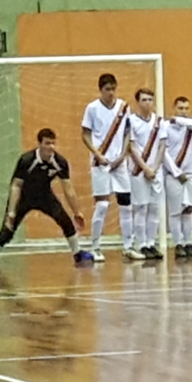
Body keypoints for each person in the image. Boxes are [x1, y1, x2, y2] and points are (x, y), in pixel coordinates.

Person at [0, 128, 94, 266]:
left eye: (53, 143)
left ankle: (77, 253)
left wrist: (77, 212)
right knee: (8, 229)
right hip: (24, 196)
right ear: (40, 144)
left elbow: (68, 189)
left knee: (65, 220)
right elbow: (16, 185)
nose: (51, 147)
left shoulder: (60, 162)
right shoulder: (26, 160)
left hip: (45, 196)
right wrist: (11, 211)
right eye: (47, 143)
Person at [82, 73, 137, 262]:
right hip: (100, 162)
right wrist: (98, 155)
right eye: (107, 89)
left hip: (119, 162)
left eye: (113, 89)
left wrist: (123, 155)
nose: (111, 93)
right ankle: (95, 246)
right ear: (100, 89)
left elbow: (128, 133)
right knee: (103, 205)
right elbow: (85, 134)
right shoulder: (92, 108)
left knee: (126, 205)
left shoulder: (124, 107)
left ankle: (128, 246)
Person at [163, 97, 192, 258]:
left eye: (186, 108)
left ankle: (189, 242)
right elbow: (163, 153)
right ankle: (178, 244)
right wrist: (175, 172)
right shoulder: (166, 127)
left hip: (191, 173)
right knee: (175, 211)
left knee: (189, 209)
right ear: (174, 108)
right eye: (180, 108)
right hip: (174, 174)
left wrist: (181, 120)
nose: (184, 111)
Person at [127, 89, 167, 260]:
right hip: (137, 171)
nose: (148, 102)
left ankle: (151, 243)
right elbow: (132, 147)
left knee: (154, 207)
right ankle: (141, 244)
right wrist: (145, 168)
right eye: (144, 99)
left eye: (150, 99)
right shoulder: (132, 121)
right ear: (138, 102)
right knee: (140, 207)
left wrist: (155, 168)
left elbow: (162, 146)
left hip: (155, 171)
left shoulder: (160, 122)